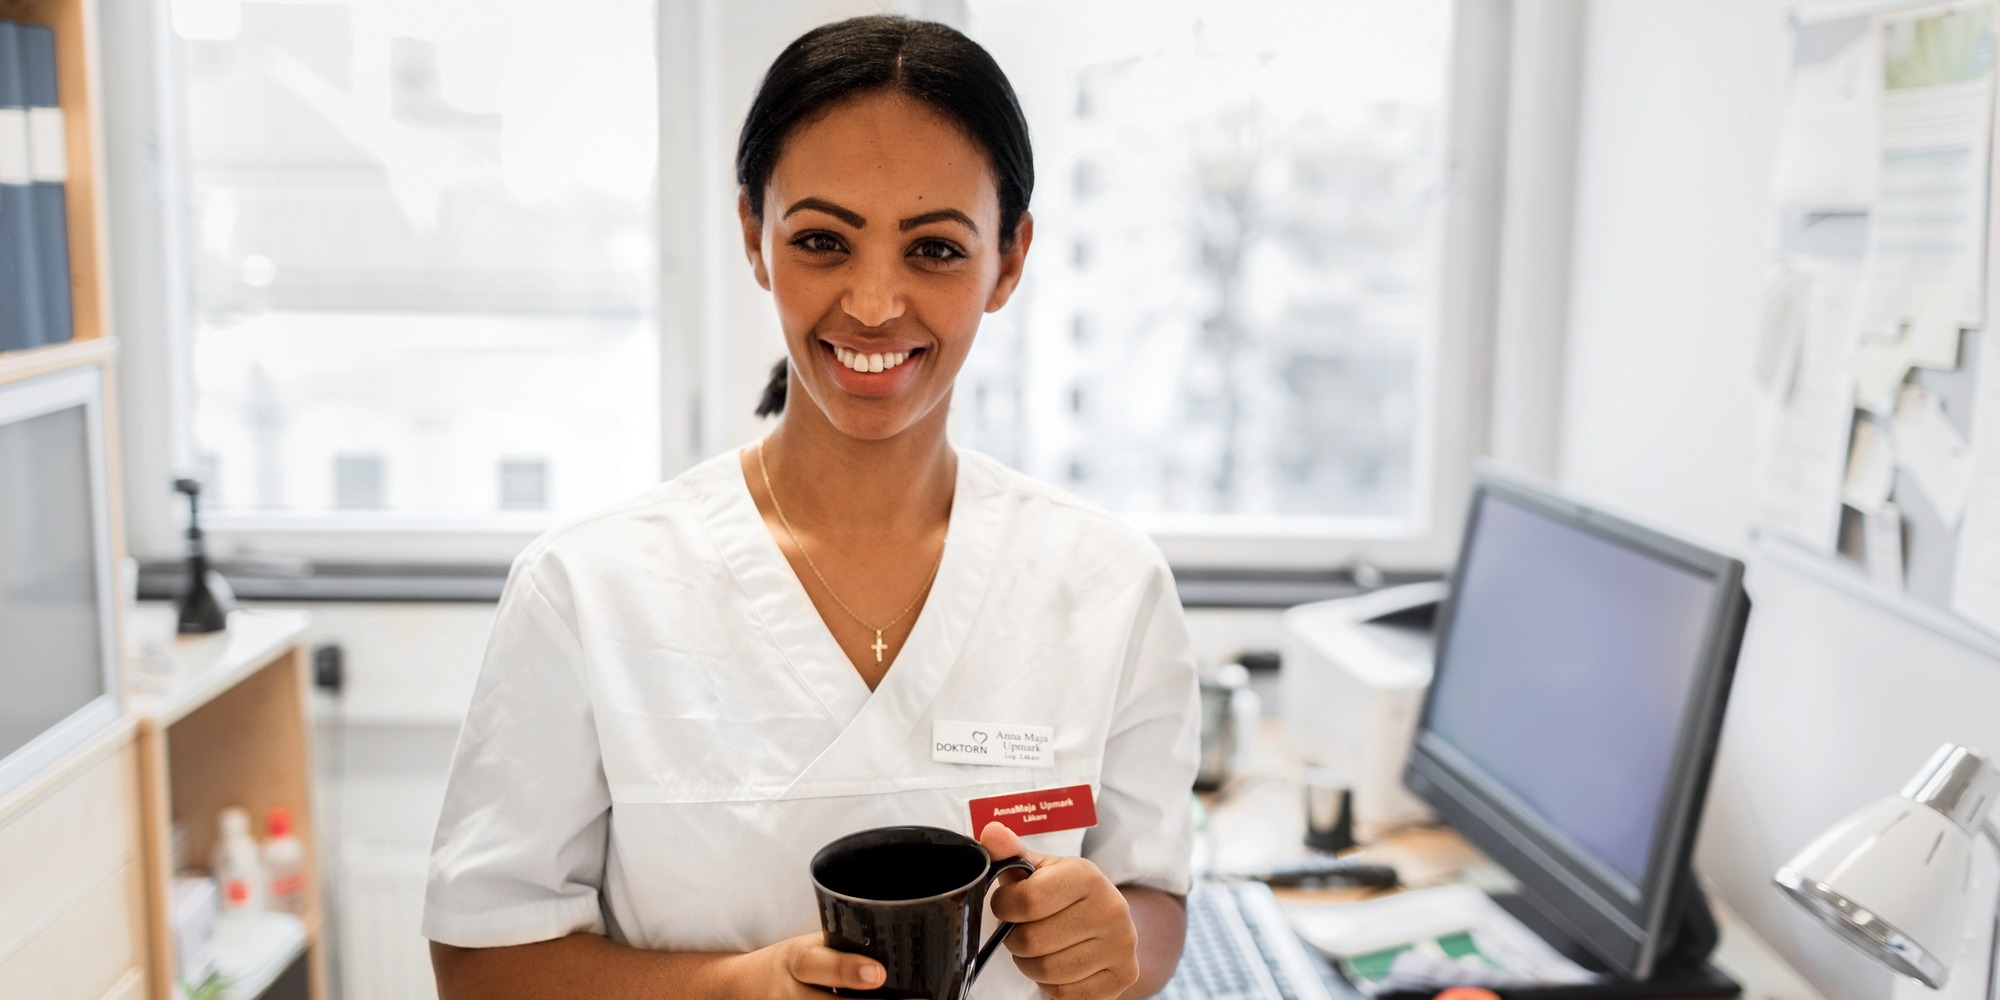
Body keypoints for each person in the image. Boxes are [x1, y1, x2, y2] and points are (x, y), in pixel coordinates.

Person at [423, 15, 1198, 1000]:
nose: (873, 303)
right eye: (823, 240)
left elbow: (1153, 902)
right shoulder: (588, 591)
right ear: (754, 235)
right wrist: (739, 988)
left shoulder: (1108, 587)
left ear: (1008, 259)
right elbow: (481, 964)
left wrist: (1113, 937)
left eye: (935, 250)